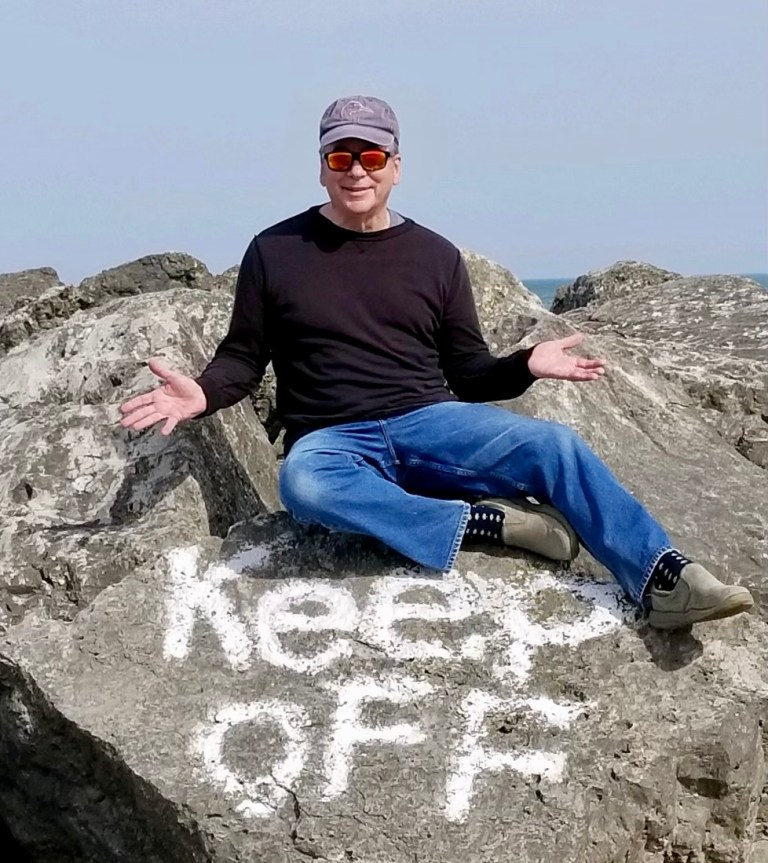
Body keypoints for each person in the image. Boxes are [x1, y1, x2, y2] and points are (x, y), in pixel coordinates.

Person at [119, 95, 753, 630]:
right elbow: (242, 358)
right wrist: (202, 393)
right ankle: (488, 523)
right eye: (341, 157)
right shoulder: (275, 251)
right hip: (334, 440)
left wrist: (526, 364)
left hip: (429, 422)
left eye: (372, 157)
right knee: (303, 484)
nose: (356, 171)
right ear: (322, 168)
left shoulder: (435, 257)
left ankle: (664, 578)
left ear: (396, 166)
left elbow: (469, 373)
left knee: (555, 446)